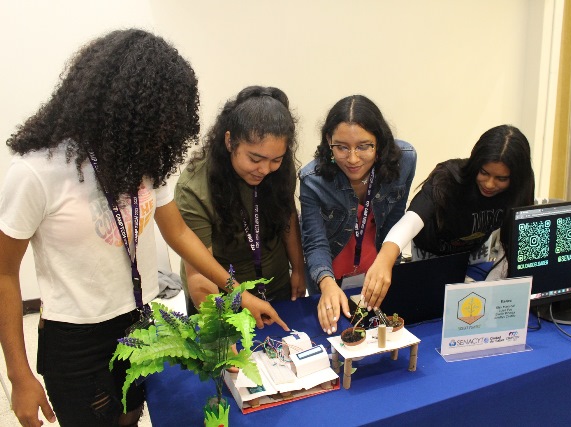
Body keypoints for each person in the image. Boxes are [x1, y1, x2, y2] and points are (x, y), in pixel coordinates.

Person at [0, 29, 287, 427]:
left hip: (138, 320)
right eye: (158, 116)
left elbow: (179, 233)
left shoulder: (144, 158)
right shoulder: (37, 170)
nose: (166, 130)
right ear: (119, 106)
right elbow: (4, 273)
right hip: (77, 338)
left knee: (130, 419)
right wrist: (19, 376)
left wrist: (235, 292)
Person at [363, 124, 535, 310]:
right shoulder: (449, 178)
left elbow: (515, 238)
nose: (489, 184)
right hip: (430, 253)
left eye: (501, 179)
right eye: (484, 173)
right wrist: (385, 259)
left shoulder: (521, 186)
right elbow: (412, 220)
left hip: (473, 253)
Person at [175, 85, 305, 315]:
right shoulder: (193, 188)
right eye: (255, 158)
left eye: (276, 159)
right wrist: (217, 328)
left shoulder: (280, 170)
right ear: (229, 141)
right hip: (221, 299)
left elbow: (288, 216)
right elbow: (198, 273)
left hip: (277, 288)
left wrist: (298, 268)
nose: (264, 169)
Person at [299, 95, 417, 335]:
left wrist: (387, 263)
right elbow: (315, 242)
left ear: (380, 143)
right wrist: (326, 283)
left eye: (364, 146)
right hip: (330, 276)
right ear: (328, 142)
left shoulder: (404, 160)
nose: (352, 159)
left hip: (377, 269)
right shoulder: (312, 179)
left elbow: (396, 218)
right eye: (341, 147)